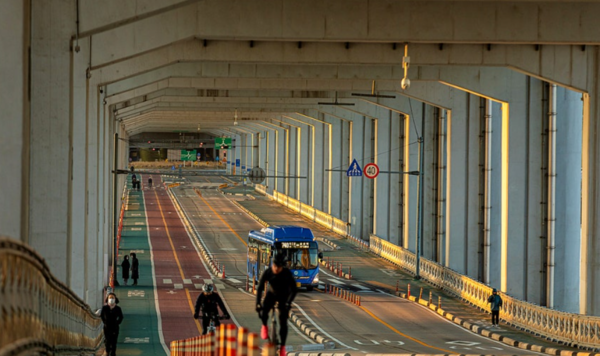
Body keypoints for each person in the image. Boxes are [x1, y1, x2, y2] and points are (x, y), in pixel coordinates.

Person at [256, 253, 297, 355]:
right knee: (263, 311)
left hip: (284, 296)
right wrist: (257, 303)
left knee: (283, 322)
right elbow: (260, 287)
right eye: (274, 266)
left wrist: (289, 303)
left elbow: (294, 289)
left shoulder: (287, 274)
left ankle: (282, 346)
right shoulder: (268, 272)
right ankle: (264, 326)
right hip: (272, 294)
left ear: (282, 267)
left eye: (278, 267)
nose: (276, 269)